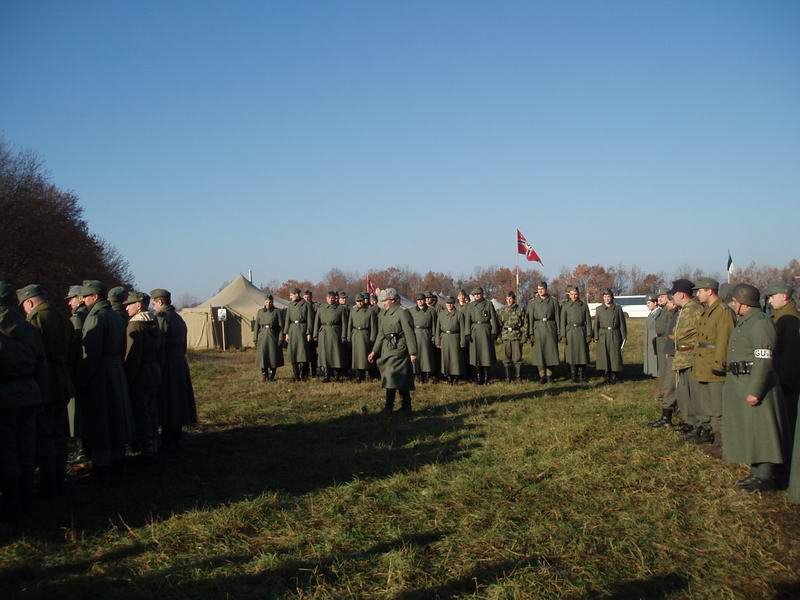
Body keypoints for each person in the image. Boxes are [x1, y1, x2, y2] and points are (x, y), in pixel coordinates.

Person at [722, 284, 789, 492]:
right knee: (751, 430)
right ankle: (757, 472)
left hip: (755, 384)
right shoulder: (746, 321)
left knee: (762, 431)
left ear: (744, 303)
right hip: (742, 382)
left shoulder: (760, 323)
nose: (733, 304)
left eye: (735, 301)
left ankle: (766, 476)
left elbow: (764, 359)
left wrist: (755, 390)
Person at [17, 284, 74, 496]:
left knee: (45, 434)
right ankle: (59, 479)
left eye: (24, 306)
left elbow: (33, 353)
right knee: (60, 434)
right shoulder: (62, 317)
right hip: (62, 379)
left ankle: (48, 483)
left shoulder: (36, 319)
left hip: (46, 381)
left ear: (30, 302)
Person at [0, 282, 47, 521]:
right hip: (30, 393)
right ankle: (26, 498)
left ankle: (11, 503)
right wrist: (42, 394)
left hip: (4, 397)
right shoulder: (30, 328)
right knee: (27, 448)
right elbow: (41, 364)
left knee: (6, 450)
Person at [78, 280, 134, 479]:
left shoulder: (96, 317)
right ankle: (119, 458)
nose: (83, 300)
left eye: (86, 296)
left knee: (101, 419)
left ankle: (102, 464)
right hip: (116, 370)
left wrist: (82, 379)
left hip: (100, 373)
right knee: (116, 417)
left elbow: (91, 353)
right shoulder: (115, 315)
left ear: (95, 296)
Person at [151, 288, 197, 454]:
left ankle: (168, 440)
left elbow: (159, 343)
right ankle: (176, 437)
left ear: (160, 302)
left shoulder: (162, 318)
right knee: (178, 400)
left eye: (154, 303)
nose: (153, 307)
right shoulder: (178, 318)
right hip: (179, 362)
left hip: (167, 363)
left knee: (168, 401)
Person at [692, 277, 736, 449]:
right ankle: (710, 434)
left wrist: (719, 364)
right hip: (703, 366)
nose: (697, 294)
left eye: (700, 291)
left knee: (718, 407)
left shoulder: (723, 312)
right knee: (706, 404)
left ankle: (721, 441)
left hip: (714, 367)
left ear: (709, 291)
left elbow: (725, 340)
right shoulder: (707, 311)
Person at [122, 291, 163, 461]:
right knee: (152, 411)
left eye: (129, 304)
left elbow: (132, 356)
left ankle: (147, 449)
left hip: (140, 375)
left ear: (139, 305)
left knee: (142, 413)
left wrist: (128, 377)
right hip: (154, 372)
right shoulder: (154, 322)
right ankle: (155, 443)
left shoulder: (134, 326)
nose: (126, 308)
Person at [368, 288, 418, 413]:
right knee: (396, 377)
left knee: (391, 376)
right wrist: (374, 351)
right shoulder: (383, 313)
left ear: (393, 300)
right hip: (387, 349)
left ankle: (390, 406)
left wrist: (413, 352)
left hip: (399, 349)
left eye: (386, 300)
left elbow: (409, 332)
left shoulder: (402, 312)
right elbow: (381, 334)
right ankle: (405, 406)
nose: (383, 302)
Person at [765, 281, 800, 451]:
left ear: (785, 296)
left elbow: (791, 355)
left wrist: (784, 380)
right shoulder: (779, 317)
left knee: (788, 419)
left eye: (773, 296)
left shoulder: (790, 320)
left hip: (786, 379)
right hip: (779, 376)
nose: (770, 300)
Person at [669, 279, 704, 438]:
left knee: (693, 393)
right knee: (684, 392)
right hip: (683, 357)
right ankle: (690, 422)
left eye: (674, 293)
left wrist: (676, 337)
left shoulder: (694, 309)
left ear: (682, 294)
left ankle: (697, 424)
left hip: (691, 357)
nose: (672, 297)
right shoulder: (685, 309)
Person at [649, 291, 679, 428]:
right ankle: (666, 416)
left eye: (663, 297)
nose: (660, 299)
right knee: (667, 381)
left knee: (671, 383)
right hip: (668, 347)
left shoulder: (675, 313)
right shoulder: (668, 311)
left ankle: (669, 415)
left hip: (676, 351)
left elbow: (671, 332)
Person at [464, 286, 499, 385]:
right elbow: (467, 320)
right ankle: (478, 377)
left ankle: (487, 377)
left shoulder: (488, 304)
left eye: (478, 294)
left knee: (486, 355)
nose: (477, 296)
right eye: (475, 294)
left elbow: (494, 319)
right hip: (474, 331)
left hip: (485, 330)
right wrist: (467, 333)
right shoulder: (470, 306)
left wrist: (494, 331)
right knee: (476, 355)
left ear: (482, 294)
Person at [526, 282, 560, 383]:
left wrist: (559, 331)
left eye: (542, 289)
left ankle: (549, 375)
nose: (540, 291)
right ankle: (542, 376)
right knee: (539, 354)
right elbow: (530, 319)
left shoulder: (553, 301)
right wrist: (531, 333)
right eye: (538, 289)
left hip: (550, 328)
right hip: (538, 329)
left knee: (550, 353)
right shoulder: (533, 302)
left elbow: (557, 317)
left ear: (546, 289)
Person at [593, 288, 627, 384]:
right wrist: (596, 336)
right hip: (603, 334)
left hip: (614, 333)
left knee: (614, 355)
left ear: (612, 297)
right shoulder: (599, 309)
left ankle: (614, 375)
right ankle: (606, 375)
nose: (607, 299)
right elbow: (596, 324)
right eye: (605, 297)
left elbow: (622, 323)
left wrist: (624, 335)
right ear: (603, 298)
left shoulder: (617, 308)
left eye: (608, 296)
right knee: (604, 354)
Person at [560, 285, 592, 384]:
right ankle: (573, 376)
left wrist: (589, 334)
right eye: (572, 294)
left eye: (575, 294)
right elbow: (562, 322)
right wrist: (563, 335)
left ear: (578, 294)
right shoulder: (565, 306)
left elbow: (588, 321)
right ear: (569, 295)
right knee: (571, 355)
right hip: (570, 332)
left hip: (581, 331)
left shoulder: (583, 305)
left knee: (582, 354)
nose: (574, 296)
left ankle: (582, 376)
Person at [313, 291, 346, 382]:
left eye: (332, 297)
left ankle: (337, 376)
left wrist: (344, 336)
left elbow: (344, 324)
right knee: (325, 355)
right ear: (326, 298)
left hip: (336, 333)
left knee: (336, 354)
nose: (331, 299)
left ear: (335, 298)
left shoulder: (340, 309)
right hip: (323, 334)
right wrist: (315, 335)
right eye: (329, 297)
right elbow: (316, 322)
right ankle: (326, 375)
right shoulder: (321, 309)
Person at [282, 288, 313, 381]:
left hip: (302, 331)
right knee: (293, 353)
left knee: (302, 353)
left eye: (291, 295)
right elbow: (287, 320)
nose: (290, 297)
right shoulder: (290, 305)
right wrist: (286, 333)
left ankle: (303, 374)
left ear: (297, 294)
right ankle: (296, 375)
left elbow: (310, 320)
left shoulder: (306, 305)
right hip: (292, 330)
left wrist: (309, 332)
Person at [434, 296, 466, 384]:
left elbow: (462, 329)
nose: (449, 305)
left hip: (455, 337)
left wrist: (462, 341)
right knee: (446, 358)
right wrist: (437, 341)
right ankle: (447, 376)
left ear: (453, 304)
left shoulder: (459, 314)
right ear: (445, 304)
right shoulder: (441, 314)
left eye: (451, 303)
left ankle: (456, 376)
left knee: (455, 358)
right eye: (447, 303)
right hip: (444, 338)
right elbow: (437, 329)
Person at [252, 295, 285, 382]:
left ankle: (272, 374)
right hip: (262, 336)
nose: (268, 304)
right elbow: (256, 326)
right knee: (263, 356)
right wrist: (255, 338)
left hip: (273, 336)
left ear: (272, 302)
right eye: (266, 302)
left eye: (270, 302)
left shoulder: (277, 311)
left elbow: (281, 326)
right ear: (264, 302)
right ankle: (264, 374)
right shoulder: (260, 312)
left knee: (273, 356)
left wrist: (280, 338)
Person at [347, 293, 377, 382]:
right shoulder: (353, 311)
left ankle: (368, 374)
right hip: (356, 335)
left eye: (361, 301)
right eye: (358, 301)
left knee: (366, 355)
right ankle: (358, 375)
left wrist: (372, 338)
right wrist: (349, 336)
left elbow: (373, 326)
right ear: (355, 302)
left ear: (364, 301)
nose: (359, 303)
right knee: (356, 356)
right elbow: (349, 325)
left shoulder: (370, 311)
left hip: (365, 335)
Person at [499, 290, 526, 383]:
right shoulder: (502, 311)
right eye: (507, 299)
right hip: (506, 336)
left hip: (516, 336)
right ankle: (508, 378)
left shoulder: (520, 310)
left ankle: (518, 377)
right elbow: (499, 324)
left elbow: (525, 323)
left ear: (514, 299)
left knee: (517, 358)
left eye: (510, 299)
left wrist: (524, 335)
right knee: (506, 358)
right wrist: (499, 336)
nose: (509, 301)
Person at [411, 293, 437, 383]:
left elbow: (434, 325)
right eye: (418, 300)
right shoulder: (411, 311)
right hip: (415, 334)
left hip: (426, 334)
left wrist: (434, 337)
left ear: (425, 300)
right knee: (416, 356)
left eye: (421, 300)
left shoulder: (431, 310)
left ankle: (427, 375)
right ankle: (417, 375)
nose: (420, 301)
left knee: (426, 356)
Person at [303, 290, 319, 378]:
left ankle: (314, 372)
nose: (306, 298)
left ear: (311, 297)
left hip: (313, 332)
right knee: (304, 353)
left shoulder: (315, 306)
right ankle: (305, 372)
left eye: (308, 297)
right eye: (305, 297)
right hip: (303, 332)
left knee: (313, 354)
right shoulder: (301, 306)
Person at [643, 294, 660, 378]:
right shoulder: (651, 313)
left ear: (655, 303)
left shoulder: (659, 312)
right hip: (649, 337)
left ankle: (656, 373)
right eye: (647, 303)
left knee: (655, 356)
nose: (647, 305)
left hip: (655, 337)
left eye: (649, 303)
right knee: (650, 355)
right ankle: (651, 372)